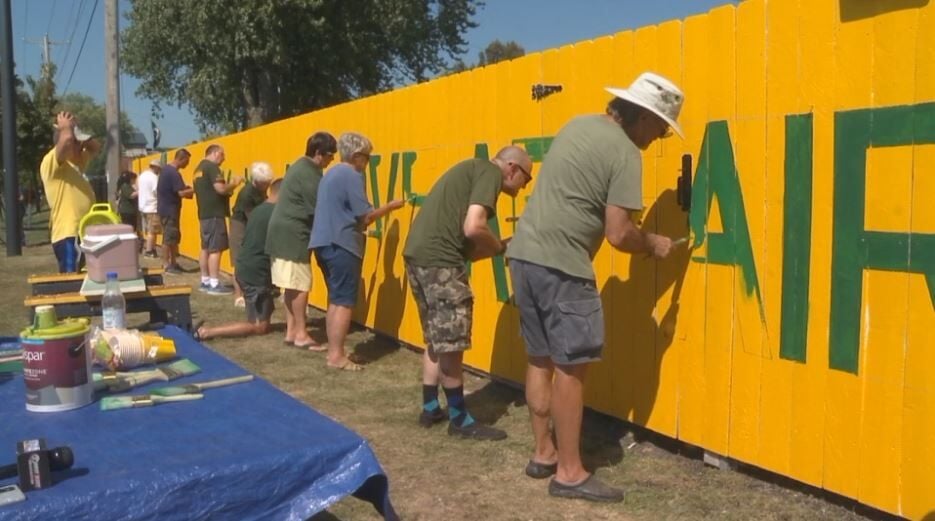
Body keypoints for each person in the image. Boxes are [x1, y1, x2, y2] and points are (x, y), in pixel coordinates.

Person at [506, 72, 683, 502]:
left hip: (524, 255)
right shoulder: (625, 152)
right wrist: (653, 243)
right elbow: (620, 234)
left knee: (539, 358)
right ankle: (569, 473)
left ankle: (543, 453)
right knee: (571, 370)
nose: (657, 139)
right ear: (642, 116)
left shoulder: (577, 125)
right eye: (660, 128)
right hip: (563, 264)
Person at [402, 145, 533, 440]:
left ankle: (431, 406)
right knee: (451, 342)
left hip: (418, 257)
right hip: (439, 261)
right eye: (527, 176)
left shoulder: (471, 170)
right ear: (512, 167)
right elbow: (474, 227)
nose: (527, 184)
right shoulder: (489, 172)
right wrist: (500, 247)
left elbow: (471, 250)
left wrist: (500, 246)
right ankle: (460, 419)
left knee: (436, 336)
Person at [309, 132, 405, 370]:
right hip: (342, 243)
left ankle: (334, 351)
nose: (367, 162)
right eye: (367, 157)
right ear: (356, 156)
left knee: (335, 299)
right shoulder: (350, 175)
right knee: (344, 302)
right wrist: (390, 207)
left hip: (323, 243)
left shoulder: (330, 174)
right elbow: (365, 217)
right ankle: (336, 357)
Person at [266, 132, 337, 348]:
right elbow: (320, 208)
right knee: (301, 286)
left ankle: (291, 331)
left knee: (290, 285)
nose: (331, 160)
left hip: (282, 233)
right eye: (329, 155)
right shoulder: (309, 173)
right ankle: (301, 334)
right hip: (293, 235)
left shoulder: (299, 167)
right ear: (318, 153)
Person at [195, 173, 283, 340]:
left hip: (247, 268)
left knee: (265, 317)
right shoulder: (274, 213)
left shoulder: (259, 210)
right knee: (259, 327)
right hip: (255, 274)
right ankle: (207, 332)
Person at [39, 111, 100, 273]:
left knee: (87, 280)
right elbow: (65, 139)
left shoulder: (77, 163)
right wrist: (66, 127)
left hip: (83, 232)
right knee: (70, 282)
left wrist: (78, 133)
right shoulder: (51, 162)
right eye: (76, 143)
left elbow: (95, 147)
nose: (81, 147)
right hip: (68, 234)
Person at [193, 144, 242, 295]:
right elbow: (220, 189)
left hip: (204, 213)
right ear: (214, 153)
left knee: (205, 247)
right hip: (215, 214)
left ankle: (205, 279)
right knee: (216, 249)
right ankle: (214, 283)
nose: (223, 158)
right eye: (222, 155)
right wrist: (234, 183)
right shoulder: (212, 167)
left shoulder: (198, 169)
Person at [230, 162, 273, 307]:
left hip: (253, 221)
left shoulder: (261, 189)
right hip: (240, 223)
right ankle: (238, 295)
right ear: (257, 181)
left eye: (269, 183)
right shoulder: (246, 194)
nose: (267, 186)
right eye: (265, 183)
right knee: (239, 258)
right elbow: (252, 217)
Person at [156, 149, 193, 275]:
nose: (187, 165)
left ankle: (173, 263)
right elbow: (181, 192)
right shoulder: (173, 173)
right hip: (169, 210)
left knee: (173, 237)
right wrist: (195, 189)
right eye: (186, 161)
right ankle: (167, 265)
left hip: (165, 209)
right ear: (181, 159)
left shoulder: (166, 170)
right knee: (169, 237)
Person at [137, 159, 162, 257]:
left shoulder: (142, 176)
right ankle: (149, 251)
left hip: (142, 206)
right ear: (156, 167)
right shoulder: (154, 178)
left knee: (148, 230)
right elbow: (156, 191)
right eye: (159, 169)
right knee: (152, 231)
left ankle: (152, 249)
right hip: (152, 206)